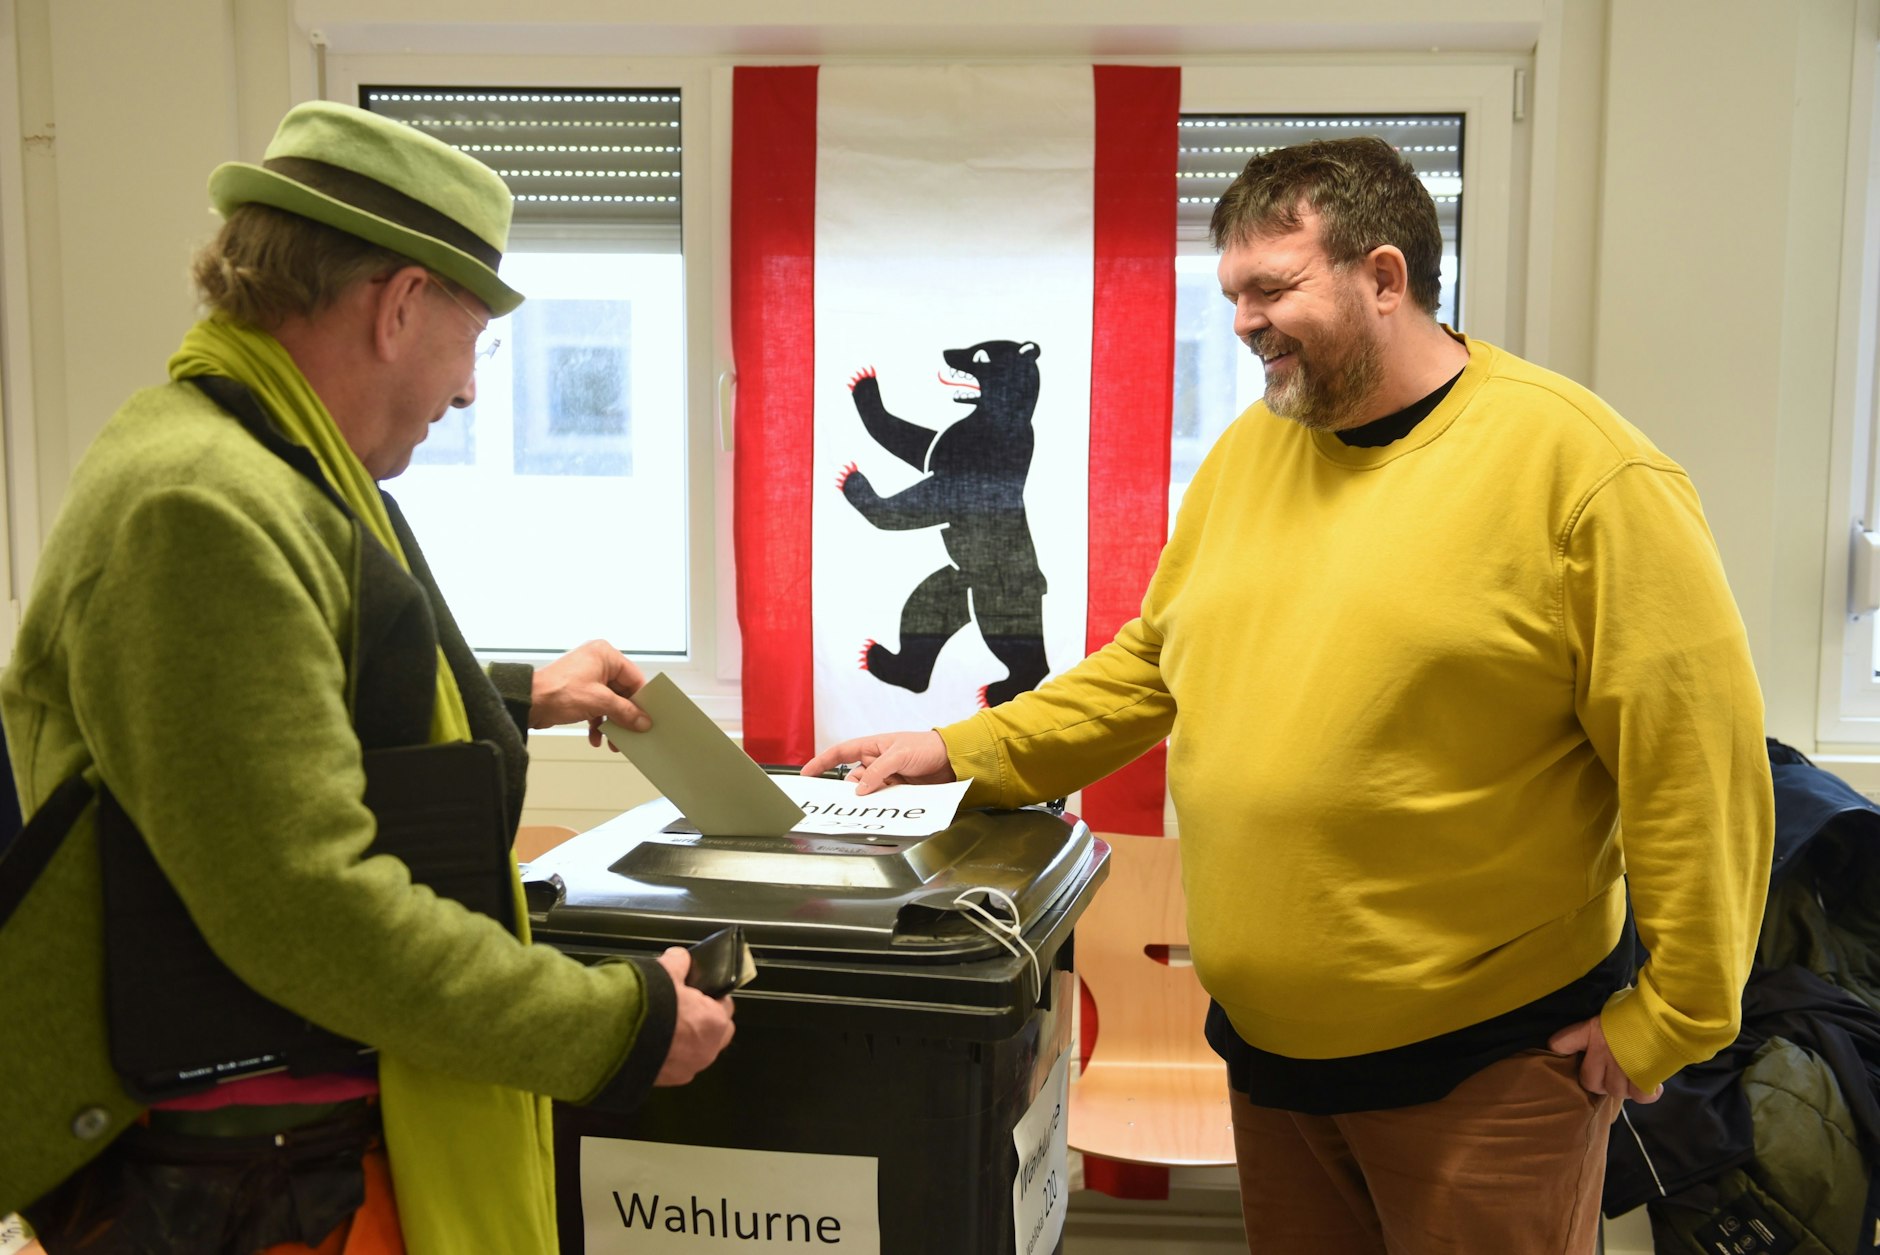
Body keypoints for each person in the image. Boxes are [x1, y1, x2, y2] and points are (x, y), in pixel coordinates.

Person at [804, 136, 1774, 1254]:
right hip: (1270, 1066)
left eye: (1271, 287)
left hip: (1488, 1071)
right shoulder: (1251, 453)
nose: (1242, 322)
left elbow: (1691, 765)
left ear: (1382, 277)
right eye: (1231, 293)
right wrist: (958, 749)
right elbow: (1151, 665)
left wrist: (1674, 1017)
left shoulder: (1583, 474)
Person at [0, 101, 734, 1254]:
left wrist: (513, 696)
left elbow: (271, 718)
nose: (471, 392)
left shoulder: (255, 462)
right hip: (253, 1191)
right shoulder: (200, 503)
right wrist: (612, 1026)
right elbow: (307, 907)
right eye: (477, 340)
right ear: (399, 304)